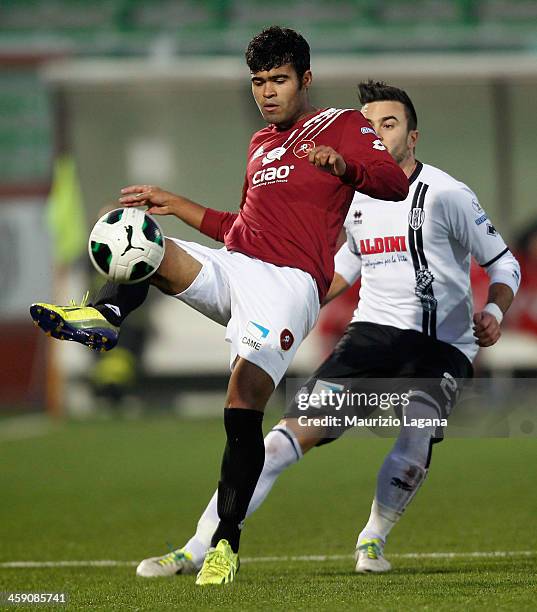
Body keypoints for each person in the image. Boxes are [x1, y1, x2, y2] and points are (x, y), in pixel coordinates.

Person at [30, 31, 408, 585]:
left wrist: (346, 170)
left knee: (242, 401)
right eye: (258, 83)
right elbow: (243, 228)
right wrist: (177, 205)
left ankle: (225, 543)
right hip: (237, 264)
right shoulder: (260, 145)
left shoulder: (345, 126)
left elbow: (394, 183)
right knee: (143, 239)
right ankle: (106, 317)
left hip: (288, 286)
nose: (268, 94)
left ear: (305, 78)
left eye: (279, 81)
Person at [135, 80, 521, 578]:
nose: (377, 135)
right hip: (371, 339)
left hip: (441, 346)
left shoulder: (448, 195)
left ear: (413, 136)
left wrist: (493, 312)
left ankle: (372, 540)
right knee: (278, 442)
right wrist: (284, 305)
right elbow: (342, 267)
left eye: (390, 124)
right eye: (370, 125)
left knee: (415, 435)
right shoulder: (354, 199)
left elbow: (504, 263)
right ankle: (195, 549)